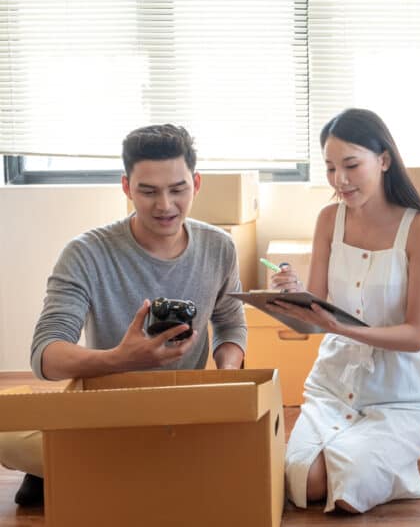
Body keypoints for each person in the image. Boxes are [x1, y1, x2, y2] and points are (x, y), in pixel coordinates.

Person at [0, 124, 247, 507]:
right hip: (109, 411)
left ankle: (67, 466)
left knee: (258, 456)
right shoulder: (86, 252)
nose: (165, 205)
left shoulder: (220, 247)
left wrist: (228, 376)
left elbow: (230, 321)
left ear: (196, 184)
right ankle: (84, 463)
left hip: (187, 413)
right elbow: (46, 354)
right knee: (5, 433)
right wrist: (122, 359)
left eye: (177, 189)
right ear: (126, 187)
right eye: (147, 191)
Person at [268, 108, 420, 514]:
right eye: (331, 168)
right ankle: (370, 454)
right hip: (333, 387)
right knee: (302, 482)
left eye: (351, 165)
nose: (340, 180)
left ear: (384, 160)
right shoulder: (328, 220)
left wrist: (341, 326)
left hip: (398, 396)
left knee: (345, 491)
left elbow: (414, 336)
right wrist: (295, 293)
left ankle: (398, 448)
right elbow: (316, 312)